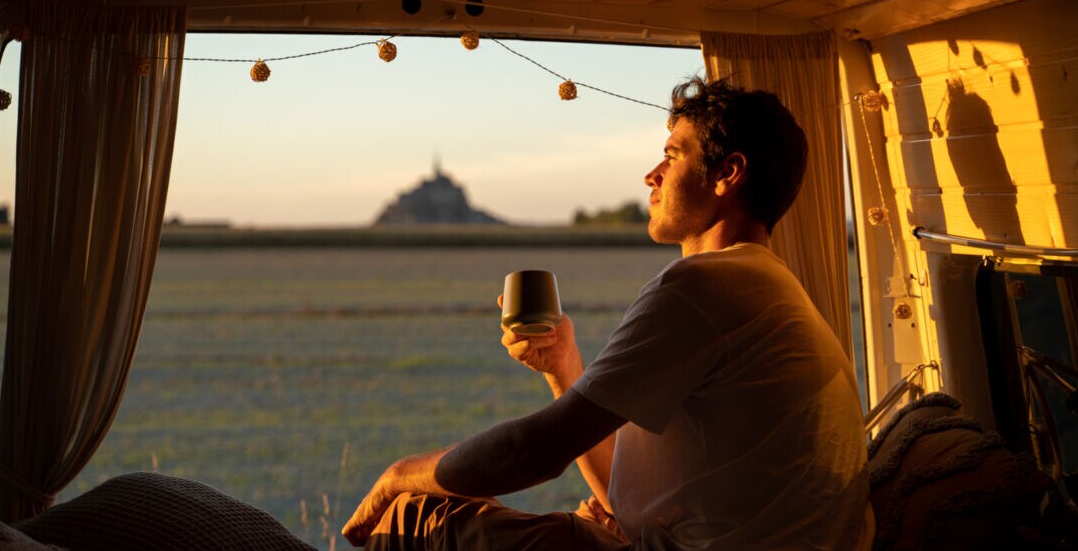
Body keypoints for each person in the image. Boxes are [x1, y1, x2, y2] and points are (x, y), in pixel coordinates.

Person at [342, 77, 873, 550]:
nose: (652, 175)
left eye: (673, 154)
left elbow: (536, 451)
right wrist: (564, 366)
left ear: (727, 174)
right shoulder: (768, 284)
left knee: (414, 515)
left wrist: (397, 474)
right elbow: (626, 498)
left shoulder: (704, 285)